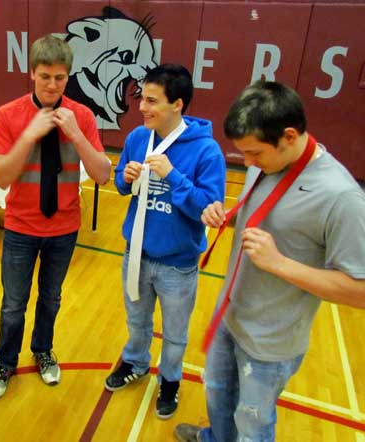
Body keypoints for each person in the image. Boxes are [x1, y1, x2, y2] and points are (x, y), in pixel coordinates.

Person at [175, 81, 365, 442]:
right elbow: (263, 215)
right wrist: (227, 214)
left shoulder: (342, 197)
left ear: (289, 136)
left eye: (253, 153)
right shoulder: (266, 161)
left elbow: (360, 290)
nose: (246, 162)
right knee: (217, 396)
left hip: (270, 345)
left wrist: (278, 263)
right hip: (229, 317)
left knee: (254, 427)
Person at [0, 34, 111, 399]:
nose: (52, 84)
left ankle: (42, 350)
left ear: (68, 77)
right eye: (45, 76)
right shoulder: (8, 115)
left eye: (59, 77)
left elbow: (103, 174)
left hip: (64, 227)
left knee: (51, 298)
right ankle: (5, 361)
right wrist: (29, 135)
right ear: (32, 74)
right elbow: (1, 177)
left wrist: (74, 133)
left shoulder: (82, 116)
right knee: (13, 303)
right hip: (20, 228)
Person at [106, 64, 226, 419]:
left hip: (177, 264)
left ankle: (170, 379)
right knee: (137, 320)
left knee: (175, 332)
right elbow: (120, 183)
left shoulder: (207, 152)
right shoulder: (137, 138)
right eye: (142, 98)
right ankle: (136, 361)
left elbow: (207, 208)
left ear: (177, 104)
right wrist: (125, 178)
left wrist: (172, 176)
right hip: (137, 253)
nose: (142, 107)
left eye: (152, 100)